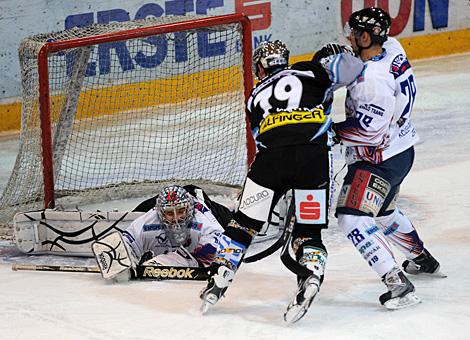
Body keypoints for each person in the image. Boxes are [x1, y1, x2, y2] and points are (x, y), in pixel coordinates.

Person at [199, 40, 364, 323]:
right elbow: (353, 69)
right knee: (308, 233)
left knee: (242, 226)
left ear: (261, 67)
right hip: (312, 158)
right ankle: (311, 273)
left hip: (270, 162)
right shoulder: (312, 72)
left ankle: (221, 274)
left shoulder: (254, 95)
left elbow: (259, 137)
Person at [334, 7, 443, 310]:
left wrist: (331, 131)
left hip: (377, 160)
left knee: (352, 216)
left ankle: (398, 284)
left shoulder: (372, 81)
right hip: (401, 151)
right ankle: (422, 260)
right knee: (383, 213)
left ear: (366, 37)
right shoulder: (392, 47)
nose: (349, 37)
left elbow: (369, 132)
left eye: (354, 33)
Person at [94, 184, 227, 281]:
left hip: (204, 202)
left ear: (190, 209)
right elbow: (129, 239)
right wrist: (123, 259)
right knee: (142, 208)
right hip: (160, 203)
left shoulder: (202, 219)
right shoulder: (151, 219)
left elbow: (218, 247)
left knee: (230, 220)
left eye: (181, 211)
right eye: (170, 213)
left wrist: (173, 260)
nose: (176, 218)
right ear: (161, 213)